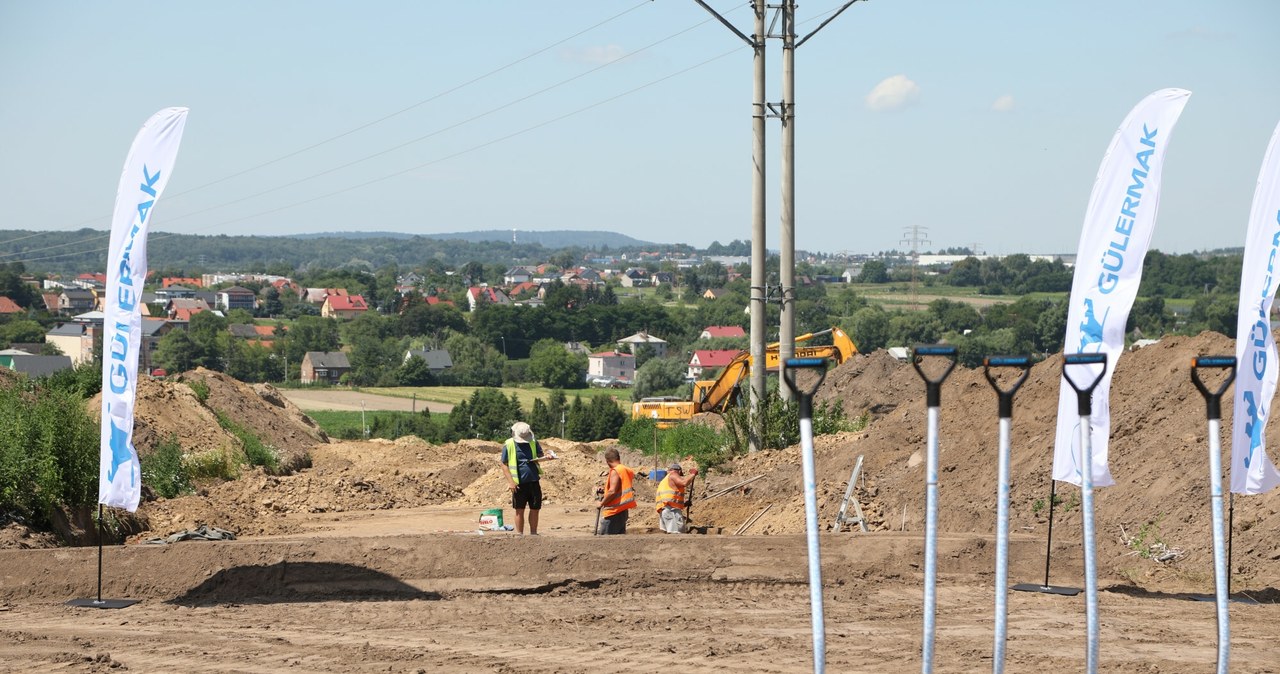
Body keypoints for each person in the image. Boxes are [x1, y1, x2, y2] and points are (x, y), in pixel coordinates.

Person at [500, 421, 554, 535]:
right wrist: (511, 482)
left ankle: (533, 534)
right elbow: (504, 464)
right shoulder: (509, 444)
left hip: (534, 480)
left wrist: (548, 456)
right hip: (518, 483)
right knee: (519, 510)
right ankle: (520, 535)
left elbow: (540, 455)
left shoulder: (533, 442)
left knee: (535, 509)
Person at [596, 448, 636, 535]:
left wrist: (601, 503)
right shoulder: (625, 469)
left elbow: (612, 491)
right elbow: (620, 487)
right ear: (618, 458)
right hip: (622, 510)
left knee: (604, 541)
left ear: (607, 461)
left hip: (613, 512)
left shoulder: (616, 470)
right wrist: (605, 490)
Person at [655, 461, 698, 534]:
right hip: (670, 511)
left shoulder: (665, 480)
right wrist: (693, 474)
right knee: (675, 535)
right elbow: (684, 483)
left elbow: (670, 499)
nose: (680, 476)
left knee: (672, 536)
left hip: (666, 510)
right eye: (680, 474)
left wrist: (684, 504)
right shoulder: (673, 474)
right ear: (679, 471)